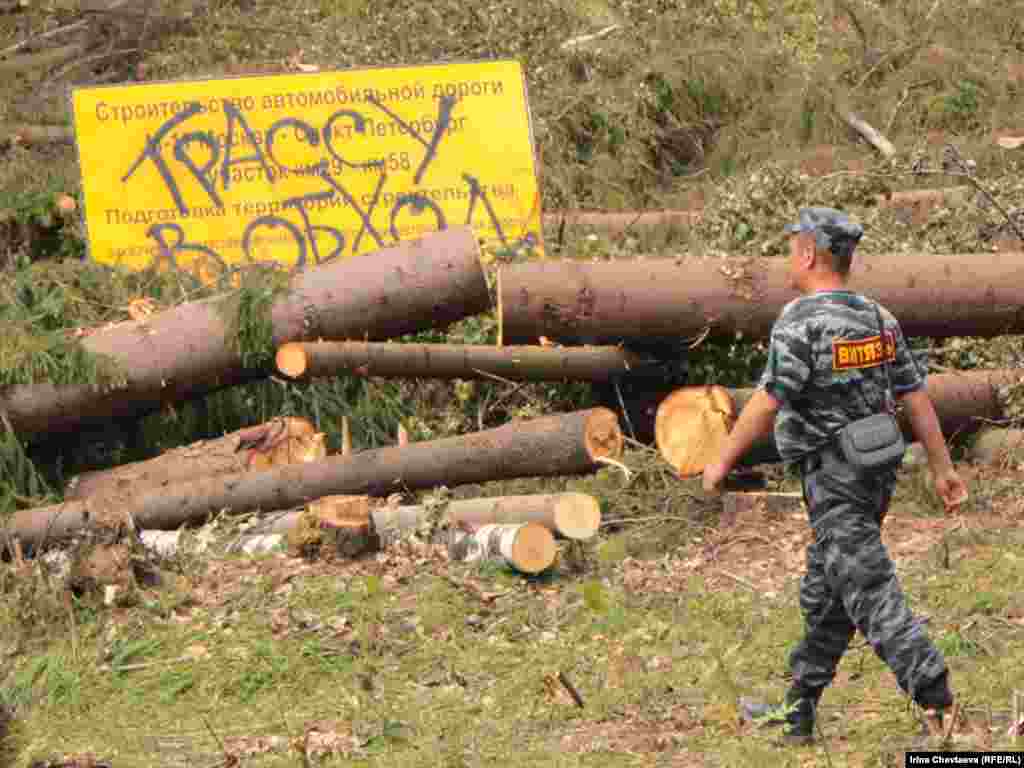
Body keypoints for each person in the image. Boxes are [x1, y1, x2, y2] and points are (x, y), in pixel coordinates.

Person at [701, 207, 968, 746]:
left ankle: (938, 699)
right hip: (876, 472)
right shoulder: (878, 318)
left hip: (834, 477)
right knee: (829, 595)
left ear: (807, 254)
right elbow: (915, 396)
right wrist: (942, 467)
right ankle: (797, 711)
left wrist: (722, 460)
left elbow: (767, 401)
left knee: (866, 588)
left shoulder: (800, 321)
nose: (787, 259)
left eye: (789, 248)